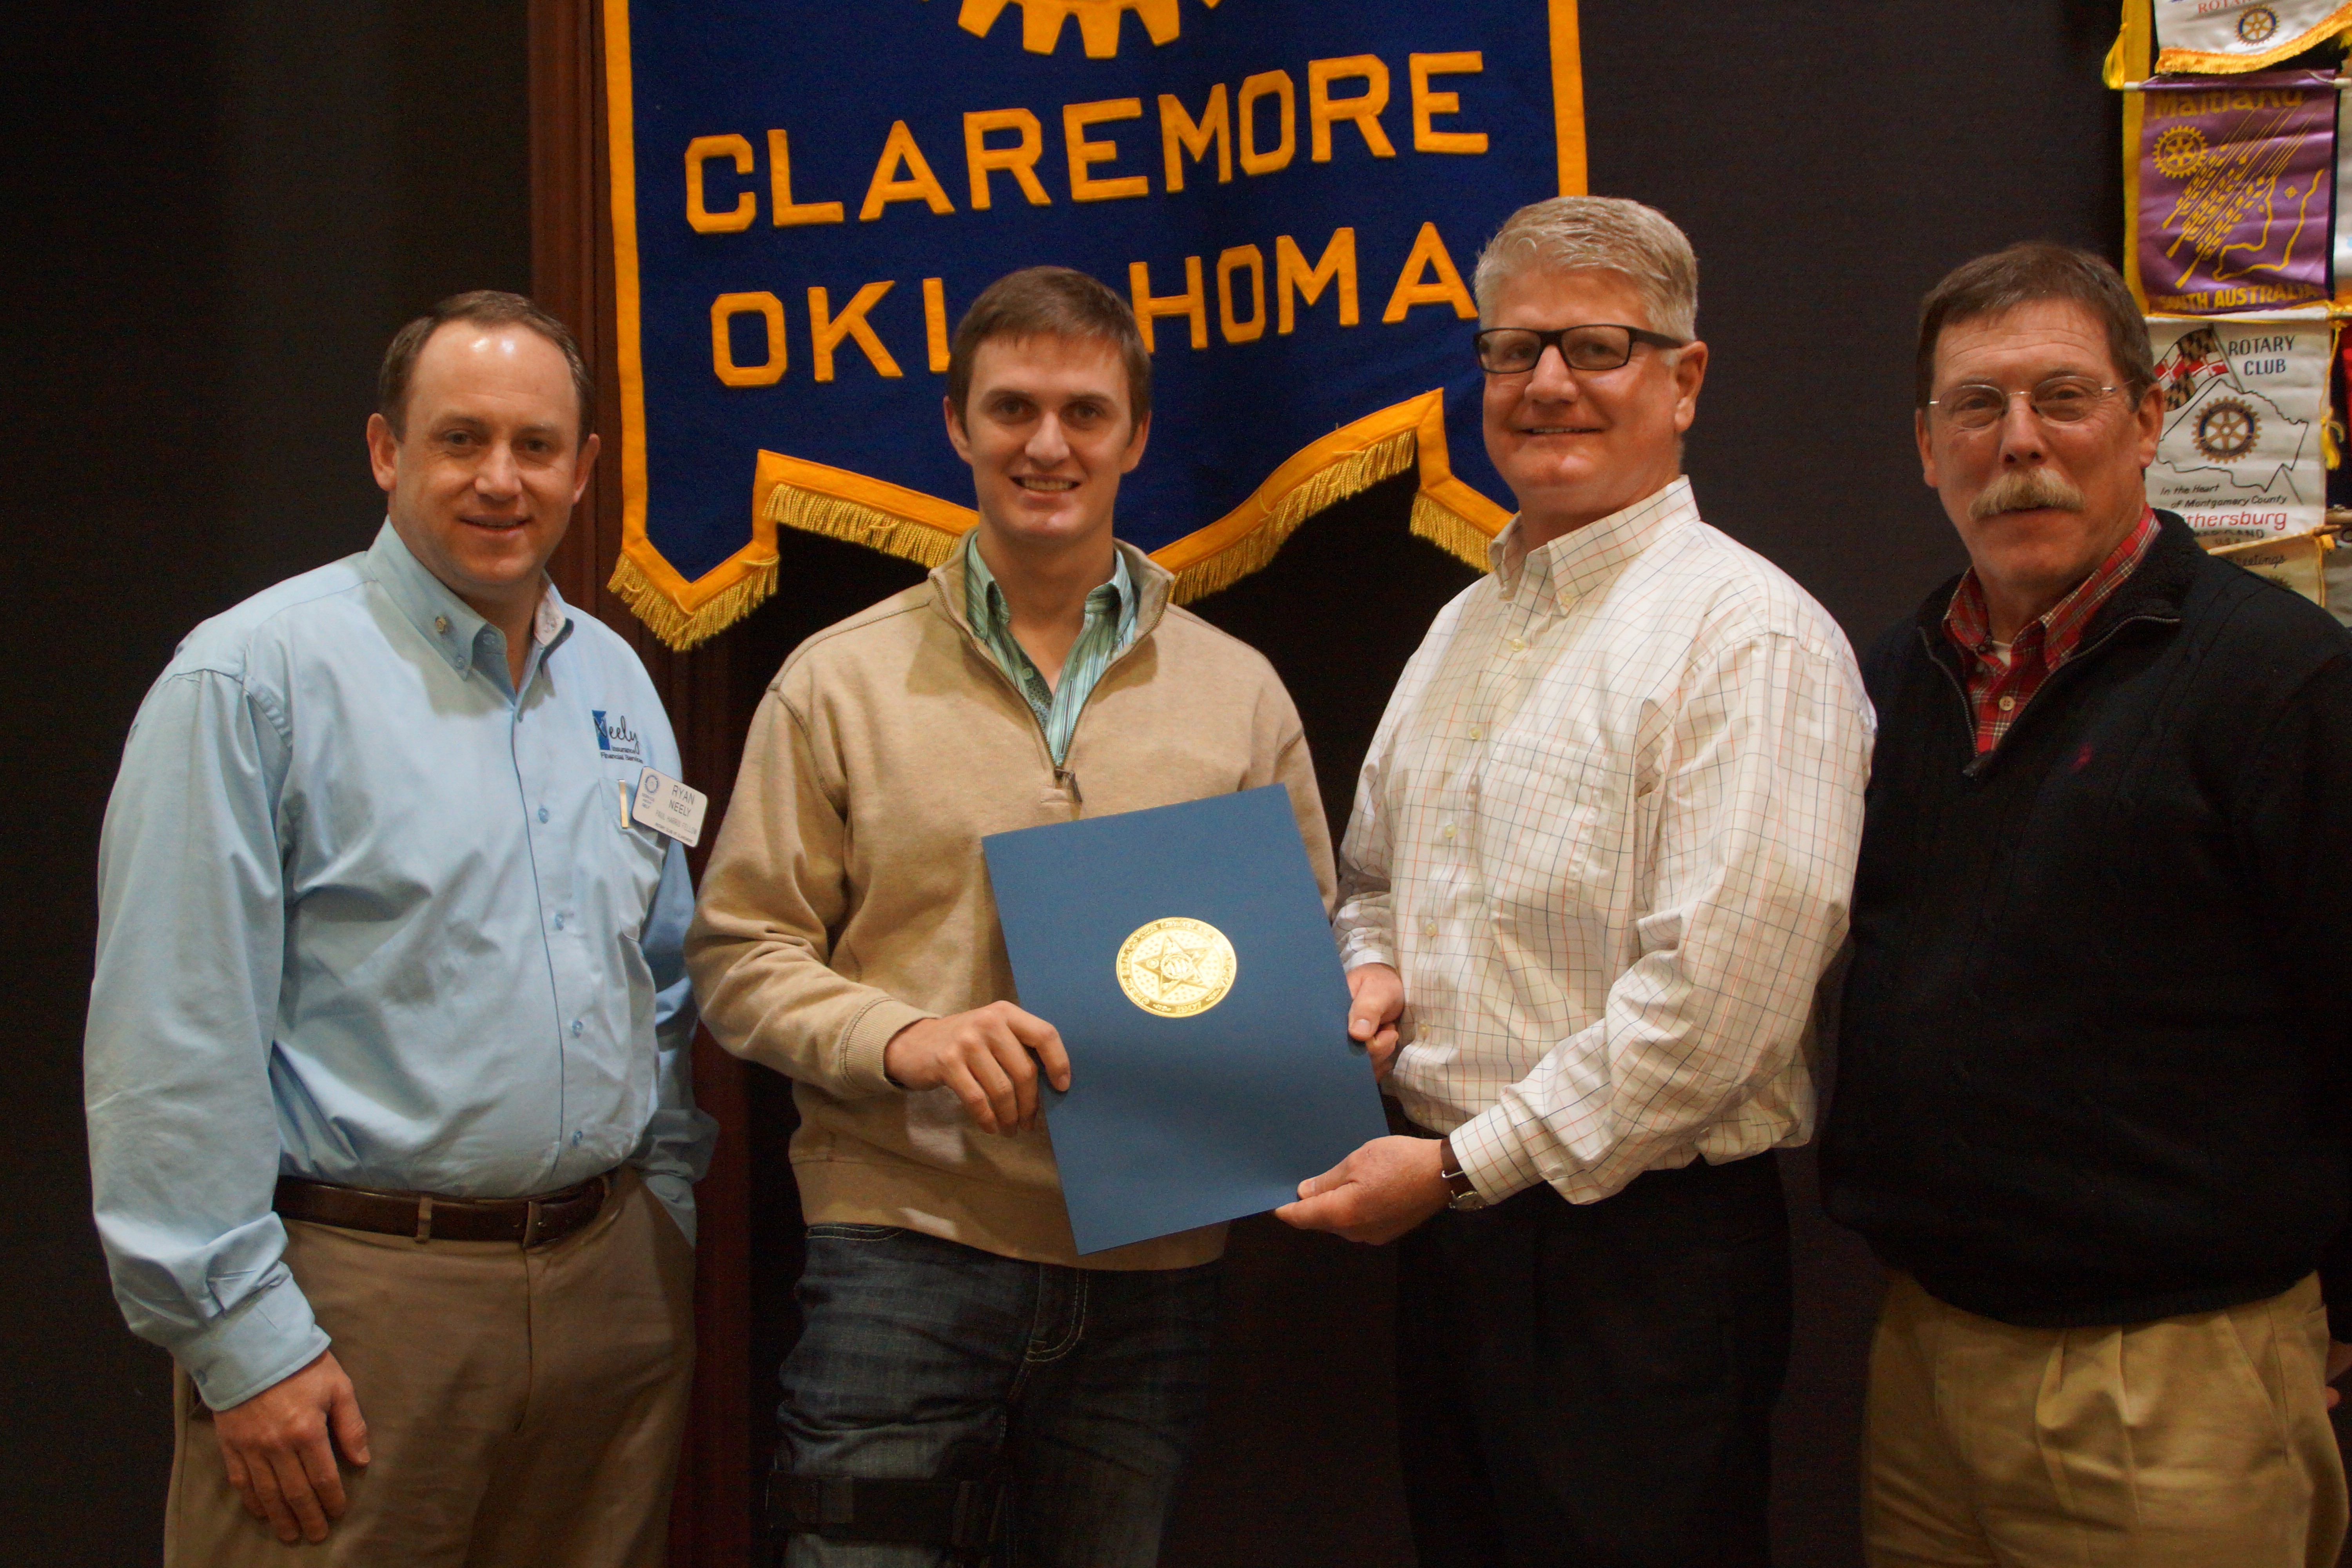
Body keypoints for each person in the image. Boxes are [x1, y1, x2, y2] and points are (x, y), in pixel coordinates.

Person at [686, 265, 1331, 1567]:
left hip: (1155, 1267)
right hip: (902, 1248)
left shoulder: (1239, 692)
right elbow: (737, 954)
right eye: (1014, 409)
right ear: (956, 426)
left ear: (1137, 436)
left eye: (1086, 413)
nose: (1049, 445)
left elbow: (1303, 940)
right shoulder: (838, 681)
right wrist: (899, 1038)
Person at [1276, 195, 1873, 1566]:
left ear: (1686, 377)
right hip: (1454, 1241)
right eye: (1513, 349)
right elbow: (1371, 877)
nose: (1547, 384)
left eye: (1597, 346)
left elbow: (1718, 1013)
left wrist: (1458, 1170)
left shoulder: (1750, 637)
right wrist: (1370, 966)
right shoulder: (1462, 627)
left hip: (1638, 1267)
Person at [85, 291, 715, 1567]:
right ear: (386, 451)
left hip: (606, 1298)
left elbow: (659, 973)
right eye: (459, 439)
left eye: (536, 446)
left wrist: (664, 1214)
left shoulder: (619, 682)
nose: (501, 479)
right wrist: (242, 1343)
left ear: (585, 469)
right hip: (358, 1312)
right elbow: (171, 1036)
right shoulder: (251, 680)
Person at [1819, 241, 2352, 1568]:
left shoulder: (2280, 681)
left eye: (2063, 398)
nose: (2020, 445)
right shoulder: (1890, 678)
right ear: (1925, 446)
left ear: (2151, 416)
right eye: (1976, 408)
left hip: (2174, 1380)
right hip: (1923, 1363)